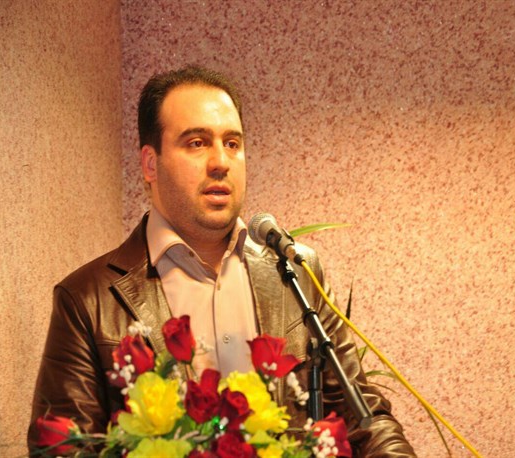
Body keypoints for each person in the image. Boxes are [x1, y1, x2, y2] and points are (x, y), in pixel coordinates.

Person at [28, 65, 416, 457]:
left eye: (232, 143)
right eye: (197, 143)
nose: (221, 162)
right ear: (150, 164)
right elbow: (61, 449)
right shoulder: (88, 300)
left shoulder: (295, 273)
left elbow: (364, 417)